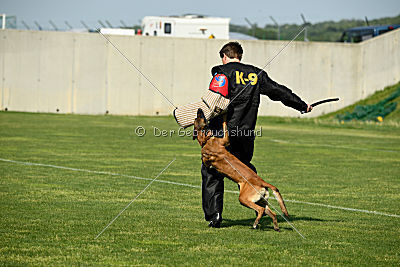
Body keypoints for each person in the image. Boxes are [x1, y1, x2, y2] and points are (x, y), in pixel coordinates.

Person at [202, 41, 312, 228]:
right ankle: (259, 204)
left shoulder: (223, 73)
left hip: (224, 133)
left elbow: (213, 102)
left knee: (211, 172)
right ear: (240, 56)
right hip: (246, 133)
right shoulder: (255, 74)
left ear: (224, 56)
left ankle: (215, 215)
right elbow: (279, 91)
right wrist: (301, 105)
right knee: (246, 171)